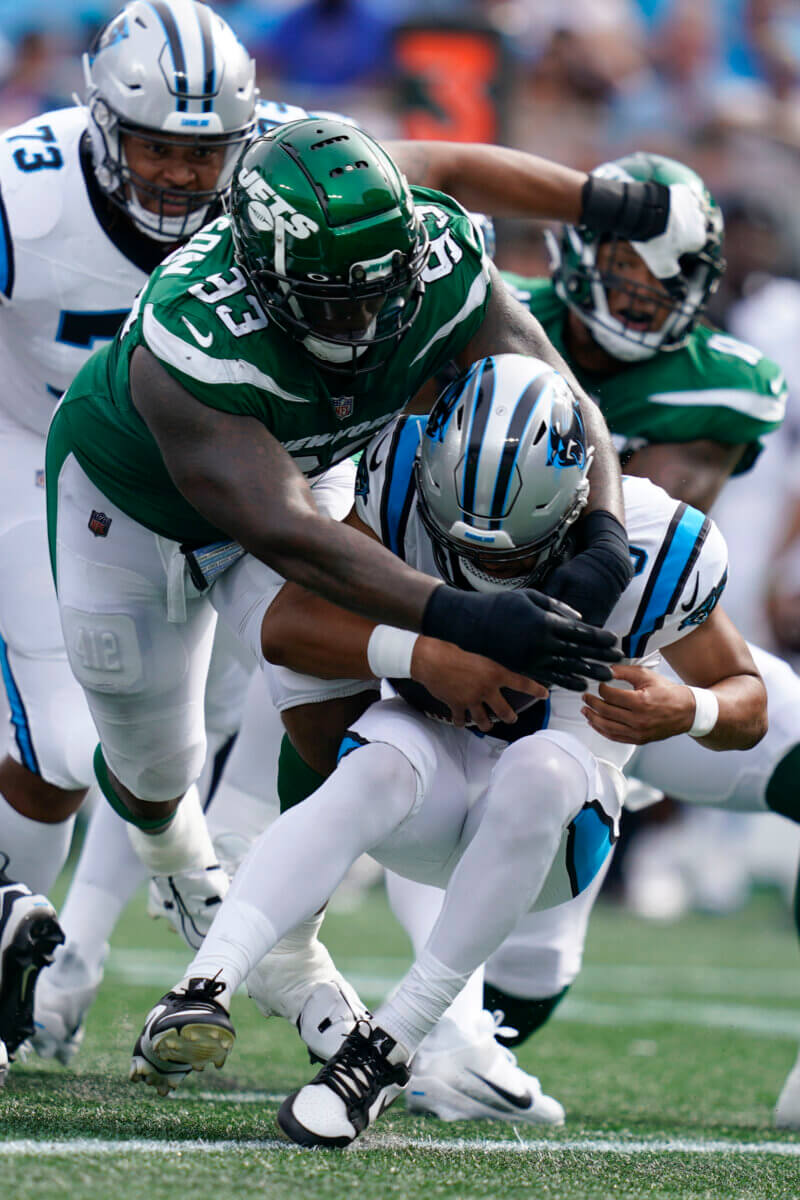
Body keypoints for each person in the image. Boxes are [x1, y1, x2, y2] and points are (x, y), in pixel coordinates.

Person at [21, 34, 711, 1071]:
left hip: (313, 470)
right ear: (261, 274)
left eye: (374, 290)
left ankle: (291, 953)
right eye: (330, 299)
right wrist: (454, 616)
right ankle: (173, 859)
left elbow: (552, 386)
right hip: (135, 502)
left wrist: (605, 537)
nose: (361, 317)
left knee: (340, 710)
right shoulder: (189, 333)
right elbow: (278, 527)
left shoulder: (423, 249)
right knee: (150, 762)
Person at [130, 353, 765, 1143]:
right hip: (429, 780)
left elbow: (749, 700)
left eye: (513, 556)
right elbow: (289, 629)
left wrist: (690, 708)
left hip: (554, 833)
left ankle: (385, 1050)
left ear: (575, 510)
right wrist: (425, 655)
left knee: (538, 766)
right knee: (385, 750)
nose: (487, 568)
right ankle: (202, 983)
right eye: (465, 548)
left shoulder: (652, 542)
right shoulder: (398, 479)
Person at [412, 153, 800, 1129]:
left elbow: (640, 532)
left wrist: (695, 706)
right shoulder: (484, 325)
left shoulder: (727, 387)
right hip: (497, 668)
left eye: (660, 282)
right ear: (577, 253)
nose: (637, 295)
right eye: (621, 269)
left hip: (642, 669)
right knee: (532, 961)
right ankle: (399, 1024)